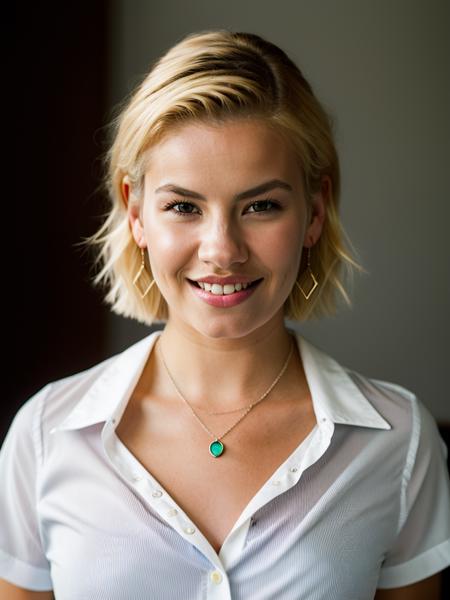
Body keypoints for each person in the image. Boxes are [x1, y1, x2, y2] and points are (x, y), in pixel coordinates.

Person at [1, 29, 449, 600]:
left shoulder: (400, 443)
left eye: (261, 206)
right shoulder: (45, 437)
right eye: (183, 206)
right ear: (137, 214)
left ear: (314, 213)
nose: (222, 249)